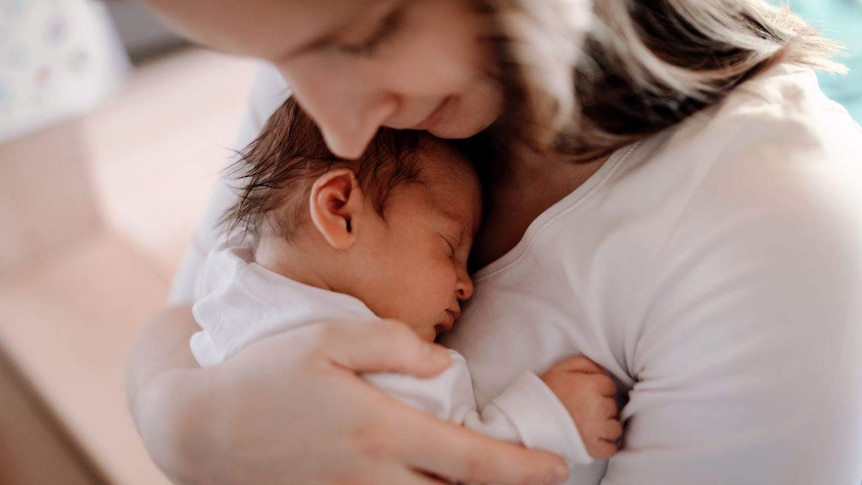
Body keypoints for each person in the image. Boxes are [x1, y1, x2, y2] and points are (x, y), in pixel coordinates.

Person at [128, 1, 862, 484]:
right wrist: (184, 423)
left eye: (364, 40)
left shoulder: (777, 228)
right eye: (279, 57)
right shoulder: (323, 63)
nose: (340, 126)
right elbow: (191, 313)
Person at [190, 95, 622, 466]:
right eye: (449, 248)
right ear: (340, 210)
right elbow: (449, 463)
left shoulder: (229, 295)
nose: (466, 286)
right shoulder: (368, 355)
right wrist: (546, 419)